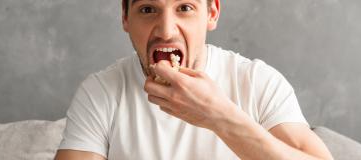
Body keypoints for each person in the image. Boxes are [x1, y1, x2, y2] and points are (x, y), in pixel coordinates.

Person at [55, 0, 333, 159]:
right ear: (126, 18)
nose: (165, 31)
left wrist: (217, 116)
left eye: (184, 7)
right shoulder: (100, 92)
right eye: (148, 9)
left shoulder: (257, 82)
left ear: (211, 13)